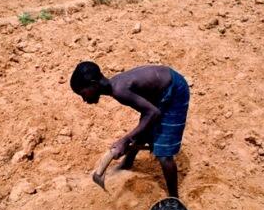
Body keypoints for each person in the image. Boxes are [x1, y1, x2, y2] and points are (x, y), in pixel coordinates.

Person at [70, 61, 190, 198]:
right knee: (143, 129)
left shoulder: (119, 90)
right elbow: (148, 113)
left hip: (174, 90)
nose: (84, 99)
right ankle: (127, 163)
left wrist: (126, 139)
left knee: (163, 154)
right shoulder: (115, 86)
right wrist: (131, 138)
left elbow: (153, 113)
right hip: (160, 90)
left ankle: (174, 199)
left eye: (83, 93)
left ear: (93, 83)